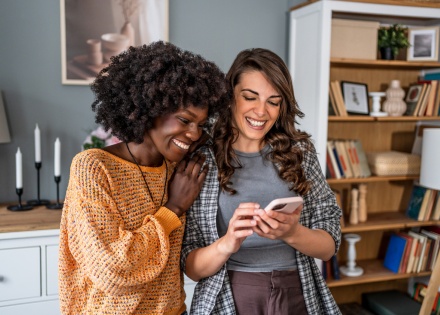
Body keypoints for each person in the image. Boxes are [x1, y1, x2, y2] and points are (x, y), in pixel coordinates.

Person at [58, 41, 230, 315]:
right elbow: (111, 271)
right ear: (149, 109)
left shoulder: (179, 170)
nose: (195, 133)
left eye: (201, 124)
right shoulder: (94, 167)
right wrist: (173, 209)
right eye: (185, 120)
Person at [181, 48, 342, 315]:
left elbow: (328, 247)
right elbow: (191, 267)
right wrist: (228, 241)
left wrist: (292, 233)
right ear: (231, 96)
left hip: (297, 292)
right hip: (228, 295)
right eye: (250, 97)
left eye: (273, 101)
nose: (261, 111)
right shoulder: (202, 159)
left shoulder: (300, 154)